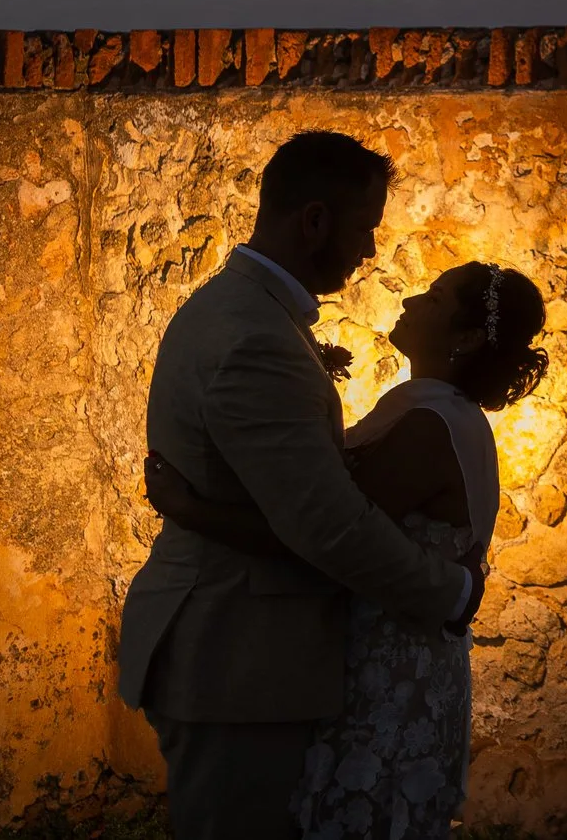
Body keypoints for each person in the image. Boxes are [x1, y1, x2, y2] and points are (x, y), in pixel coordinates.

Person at [116, 133, 483, 840]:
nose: (371, 249)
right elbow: (327, 524)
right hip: (238, 660)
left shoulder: (237, 310)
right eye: (365, 225)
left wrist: (192, 508)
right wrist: (453, 592)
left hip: (238, 657)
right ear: (313, 220)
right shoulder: (256, 336)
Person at [146, 260, 550, 839]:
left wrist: (191, 512)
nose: (412, 300)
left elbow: (322, 533)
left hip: (391, 673)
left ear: (464, 337)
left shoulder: (429, 426)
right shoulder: (423, 409)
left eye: (434, 298)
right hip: (379, 656)